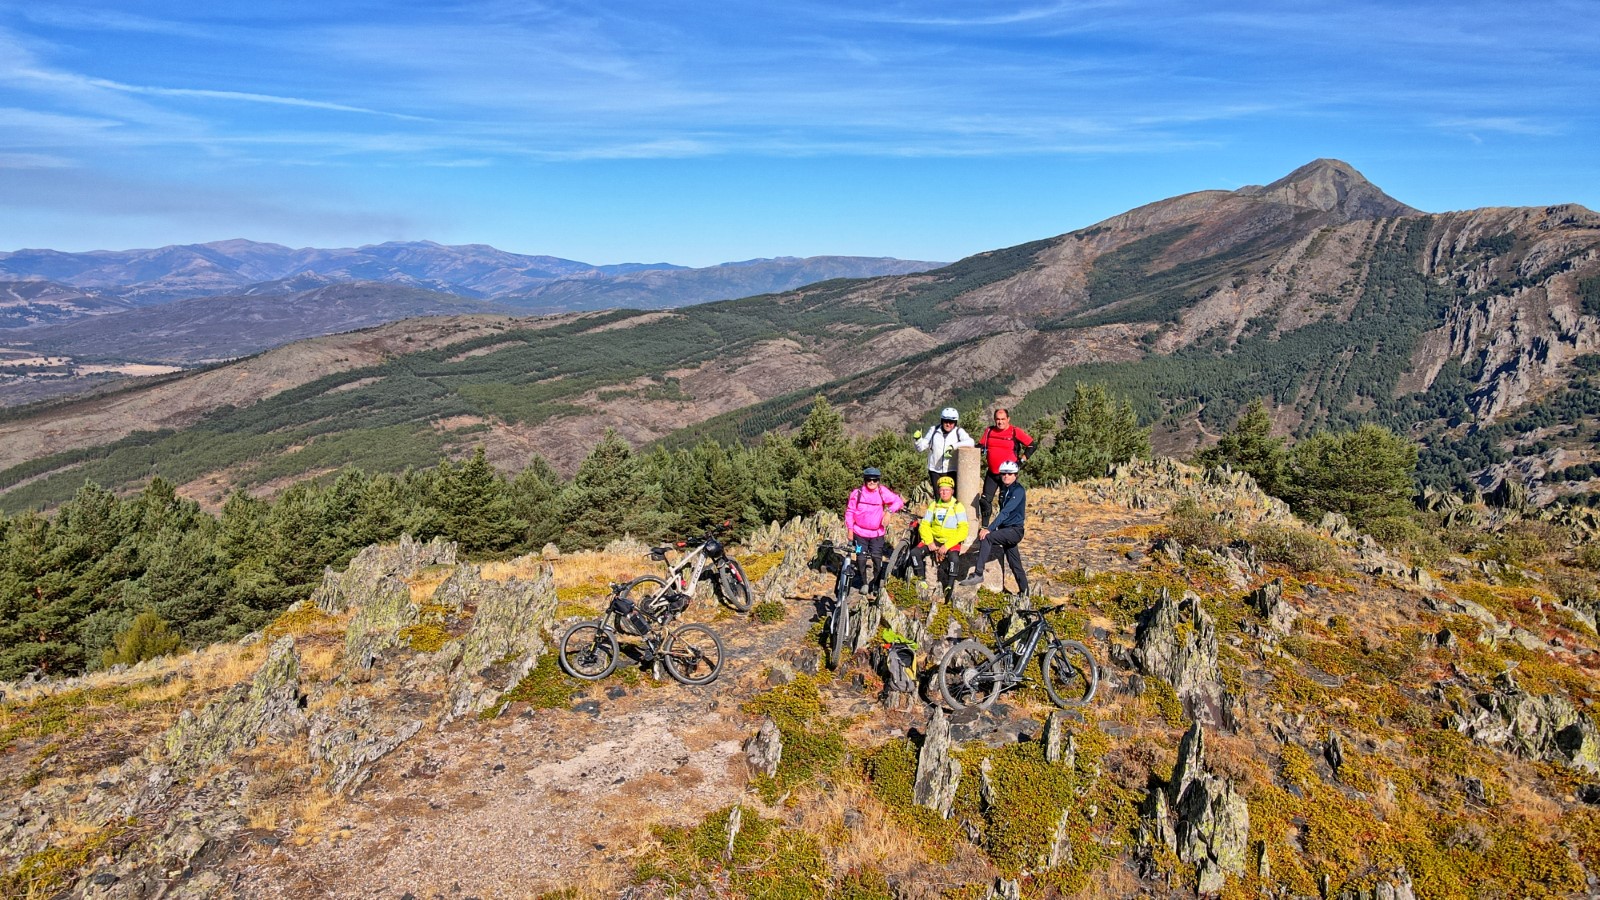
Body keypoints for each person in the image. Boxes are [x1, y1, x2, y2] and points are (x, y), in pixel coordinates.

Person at [959, 460, 1027, 595]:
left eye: (1010, 474)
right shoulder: (1004, 491)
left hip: (1014, 530)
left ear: (1016, 475)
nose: (1006, 476)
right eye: (1004, 474)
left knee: (987, 538)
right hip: (1006, 530)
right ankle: (1025, 592)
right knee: (1015, 563)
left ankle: (978, 573)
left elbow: (1005, 512)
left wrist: (989, 529)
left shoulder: (1018, 491)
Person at [844, 467, 905, 594]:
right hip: (859, 534)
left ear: (878, 480)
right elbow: (850, 512)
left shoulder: (882, 492)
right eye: (869, 480)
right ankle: (865, 583)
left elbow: (898, 502)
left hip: (877, 534)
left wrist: (888, 512)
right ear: (864, 480)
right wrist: (850, 529)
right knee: (860, 558)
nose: (872, 482)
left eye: (875, 480)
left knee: (877, 559)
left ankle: (876, 583)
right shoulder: (857, 493)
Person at [978, 408, 1033, 523]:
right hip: (992, 474)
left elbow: (1032, 445)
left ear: (1008, 419)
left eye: (1003, 419)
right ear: (994, 420)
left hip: (1008, 475)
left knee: (1005, 503)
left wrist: (1021, 462)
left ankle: (1004, 529)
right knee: (984, 501)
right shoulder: (989, 431)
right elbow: (980, 446)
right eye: (997, 419)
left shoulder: (1014, 431)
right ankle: (985, 528)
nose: (1000, 422)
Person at [912, 476, 969, 586]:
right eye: (942, 490)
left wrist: (947, 546)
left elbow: (963, 530)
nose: (944, 492)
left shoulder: (958, 506)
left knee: (954, 559)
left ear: (952, 491)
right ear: (938, 491)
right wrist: (929, 541)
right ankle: (921, 579)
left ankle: (949, 586)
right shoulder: (933, 505)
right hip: (934, 539)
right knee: (914, 553)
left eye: (947, 490)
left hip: (951, 541)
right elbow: (924, 525)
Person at [915, 407, 975, 492]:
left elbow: (971, 442)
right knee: (939, 496)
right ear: (942, 421)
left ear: (955, 422)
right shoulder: (933, 430)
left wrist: (953, 446)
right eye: (946, 421)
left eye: (951, 422)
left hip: (951, 470)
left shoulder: (958, 431)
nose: (948, 424)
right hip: (934, 470)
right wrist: (917, 440)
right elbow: (921, 448)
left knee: (951, 497)